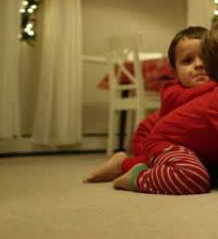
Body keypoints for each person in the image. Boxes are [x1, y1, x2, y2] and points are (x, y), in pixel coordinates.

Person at [113, 13, 218, 194]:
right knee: (194, 177)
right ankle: (138, 177)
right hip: (166, 143)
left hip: (202, 151)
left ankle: (133, 165)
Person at [84, 26, 211, 183]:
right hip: (149, 136)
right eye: (187, 61)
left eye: (206, 58)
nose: (199, 64)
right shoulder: (173, 92)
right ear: (174, 73)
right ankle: (121, 165)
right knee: (158, 160)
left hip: (188, 143)